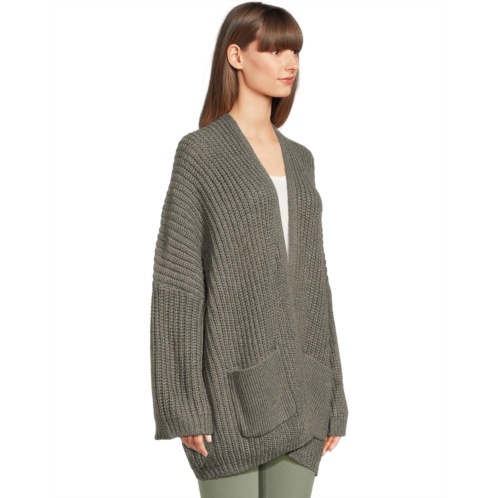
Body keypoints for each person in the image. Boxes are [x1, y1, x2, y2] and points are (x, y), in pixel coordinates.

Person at [149, 3, 349, 497]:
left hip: (304, 391)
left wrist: (335, 396)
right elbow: (178, 284)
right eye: (276, 50)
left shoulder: (301, 160)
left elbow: (316, 287)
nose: (290, 63)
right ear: (236, 56)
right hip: (226, 395)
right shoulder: (201, 153)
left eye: (295, 51)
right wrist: (183, 401)